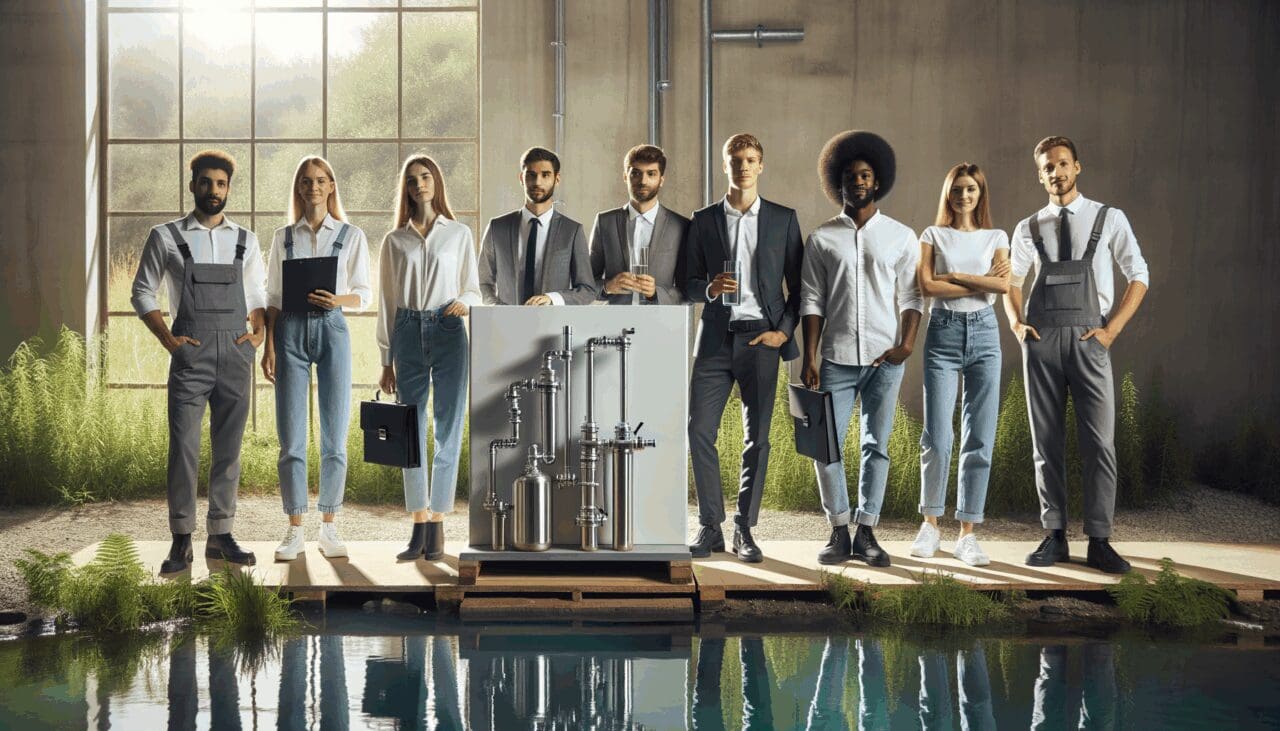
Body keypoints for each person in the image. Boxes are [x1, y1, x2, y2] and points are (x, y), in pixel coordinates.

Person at [1004, 136, 1149, 574]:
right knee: (1044, 442)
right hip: (1042, 342)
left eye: (1063, 164)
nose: (1056, 173)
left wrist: (1111, 331)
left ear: (1077, 167)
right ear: (1040, 174)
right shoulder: (1029, 226)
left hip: (1090, 340)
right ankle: (1054, 536)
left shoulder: (1108, 217)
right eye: (1048, 167)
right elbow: (1012, 279)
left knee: (1099, 443)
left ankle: (1100, 540)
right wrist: (1015, 323)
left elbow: (1139, 275)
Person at [130, 149, 267, 573]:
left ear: (229, 188)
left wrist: (258, 333)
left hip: (237, 355)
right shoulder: (166, 236)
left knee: (229, 448)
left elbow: (259, 295)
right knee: (184, 447)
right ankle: (181, 539)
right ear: (192, 185)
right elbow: (142, 292)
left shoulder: (245, 239)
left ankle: (221, 535)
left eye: (221, 184)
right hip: (191, 355)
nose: (213, 191)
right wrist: (170, 341)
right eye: (205, 182)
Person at [801, 130, 922, 568]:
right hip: (834, 359)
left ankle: (867, 531)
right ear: (839, 182)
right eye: (850, 175)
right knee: (825, 446)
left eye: (866, 174)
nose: (858, 181)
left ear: (877, 181)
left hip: (883, 360)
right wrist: (810, 357)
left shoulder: (901, 236)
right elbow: (811, 302)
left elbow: (912, 297)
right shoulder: (821, 239)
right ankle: (838, 530)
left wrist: (906, 345)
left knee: (878, 444)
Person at [686, 133, 803, 564]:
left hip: (762, 339)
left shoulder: (783, 219)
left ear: (761, 166)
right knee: (699, 430)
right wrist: (710, 288)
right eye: (736, 160)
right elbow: (688, 282)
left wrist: (784, 332)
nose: (744, 166)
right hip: (716, 338)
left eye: (752, 159)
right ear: (725, 165)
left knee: (758, 439)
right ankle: (710, 526)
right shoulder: (704, 219)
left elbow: (800, 287)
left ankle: (744, 528)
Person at [262, 156, 371, 562]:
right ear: (299, 188)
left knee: (334, 435)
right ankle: (294, 529)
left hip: (332, 329)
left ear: (331, 187)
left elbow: (364, 294)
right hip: (288, 329)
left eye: (321, 181)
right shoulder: (282, 237)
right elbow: (272, 296)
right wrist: (269, 345)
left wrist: (336, 299)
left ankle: (329, 526)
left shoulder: (350, 235)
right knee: (291, 438)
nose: (313, 187)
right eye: (306, 181)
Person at [378, 154, 482, 561]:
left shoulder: (458, 234)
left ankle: (438, 523)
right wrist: (386, 358)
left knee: (448, 428)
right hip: (406, 330)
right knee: (409, 431)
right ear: (405, 188)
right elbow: (387, 301)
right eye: (412, 179)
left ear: (436, 182)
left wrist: (465, 304)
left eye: (425, 177)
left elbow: (473, 288)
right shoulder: (394, 240)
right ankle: (418, 524)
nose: (419, 184)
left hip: (448, 329)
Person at [910, 163, 1010, 567]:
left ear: (980, 193)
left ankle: (968, 533)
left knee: (980, 435)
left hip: (985, 334)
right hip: (943, 333)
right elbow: (928, 286)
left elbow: (1004, 285)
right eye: (956, 189)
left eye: (970, 189)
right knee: (938, 434)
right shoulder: (932, 234)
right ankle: (930, 525)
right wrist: (978, 278)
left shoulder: (996, 236)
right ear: (947, 194)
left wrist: (955, 274)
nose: (963, 196)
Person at [478, 146, 595, 306]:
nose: (537, 182)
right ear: (521, 178)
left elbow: (587, 290)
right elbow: (483, 282)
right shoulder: (497, 227)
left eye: (545, 175)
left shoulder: (572, 231)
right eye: (531, 175)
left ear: (557, 179)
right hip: (505, 325)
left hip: (553, 325)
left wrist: (552, 298)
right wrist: (497, 308)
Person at [588, 144, 690, 305]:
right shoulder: (605, 221)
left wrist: (656, 293)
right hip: (615, 323)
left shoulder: (680, 226)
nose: (643, 181)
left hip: (661, 323)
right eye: (635, 173)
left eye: (651, 174)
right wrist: (607, 287)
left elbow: (687, 290)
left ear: (661, 180)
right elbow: (585, 284)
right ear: (625, 177)